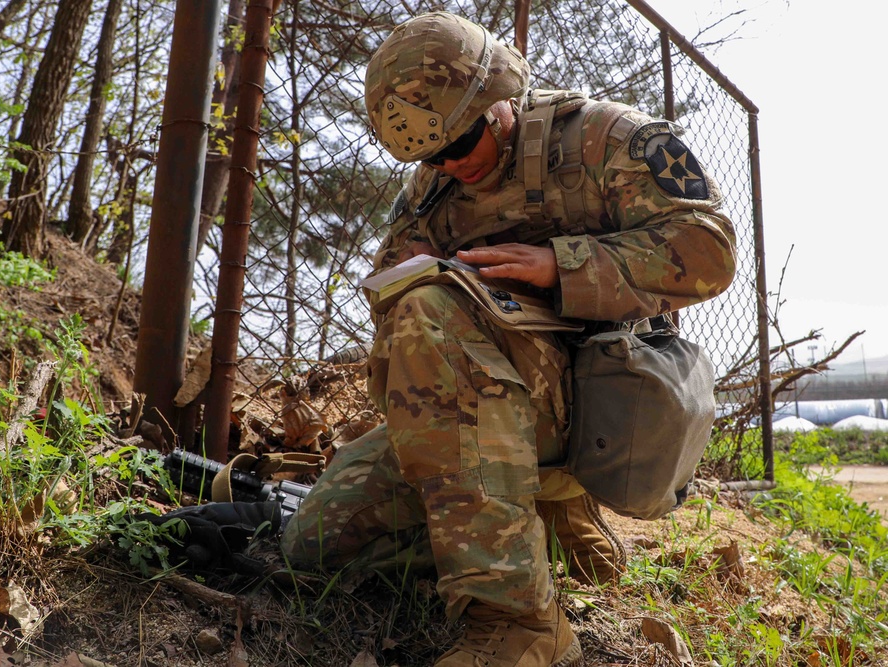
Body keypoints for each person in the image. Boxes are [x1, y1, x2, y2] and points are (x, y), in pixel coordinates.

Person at [281, 11, 736, 667]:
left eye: (459, 144)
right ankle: (527, 525)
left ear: (497, 103)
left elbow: (709, 250)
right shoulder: (435, 185)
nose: (449, 165)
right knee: (311, 545)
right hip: (478, 406)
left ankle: (520, 619)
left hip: (600, 395)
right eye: (430, 155)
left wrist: (561, 265)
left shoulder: (605, 139)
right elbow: (394, 281)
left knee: (428, 315)